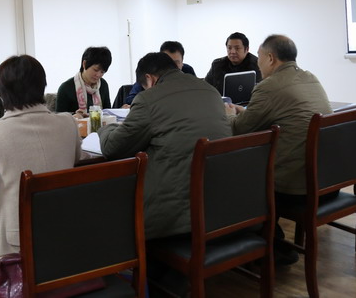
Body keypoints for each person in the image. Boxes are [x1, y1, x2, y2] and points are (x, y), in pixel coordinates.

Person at [0, 55, 82, 298]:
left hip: (14, 249)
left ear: (2, 92)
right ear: (42, 86)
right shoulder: (68, 123)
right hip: (63, 234)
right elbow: (76, 159)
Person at [98, 52, 231, 240]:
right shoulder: (210, 91)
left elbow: (113, 148)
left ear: (149, 79)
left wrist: (105, 128)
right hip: (220, 206)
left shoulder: (148, 100)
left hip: (173, 218)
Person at [224, 34, 332, 264]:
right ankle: (274, 240)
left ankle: (267, 245)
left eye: (260, 57)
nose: (258, 64)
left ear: (271, 58)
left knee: (236, 177)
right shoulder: (310, 77)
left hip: (297, 187)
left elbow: (238, 130)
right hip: (326, 180)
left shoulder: (269, 86)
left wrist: (229, 114)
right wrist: (246, 112)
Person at [123, 40, 196, 106]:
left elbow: (196, 93)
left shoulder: (187, 71)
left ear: (182, 62)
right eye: (167, 62)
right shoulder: (150, 72)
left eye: (176, 62)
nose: (172, 67)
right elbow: (131, 99)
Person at [55, 46, 112, 117]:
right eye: (95, 70)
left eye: (102, 72)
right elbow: (59, 117)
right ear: (84, 64)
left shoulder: (103, 85)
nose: (98, 75)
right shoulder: (66, 88)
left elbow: (108, 112)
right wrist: (74, 116)